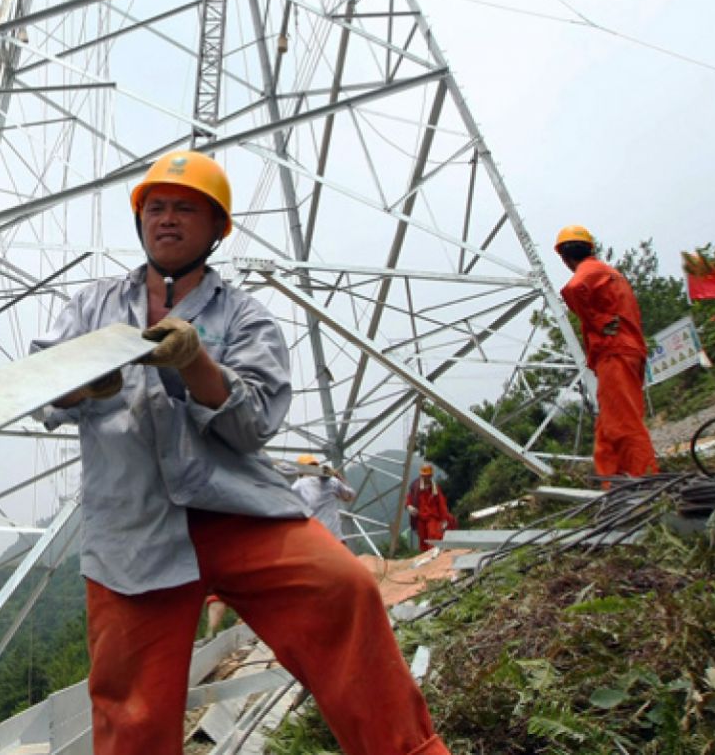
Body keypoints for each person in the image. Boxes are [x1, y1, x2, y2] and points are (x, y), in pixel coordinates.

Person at [33, 151, 448, 755]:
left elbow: (254, 425)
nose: (166, 220)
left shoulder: (244, 317)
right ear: (140, 221)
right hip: (133, 526)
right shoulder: (91, 310)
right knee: (133, 709)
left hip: (235, 511)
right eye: (155, 208)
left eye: (184, 209)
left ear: (216, 228)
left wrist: (196, 362)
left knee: (343, 592)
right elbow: (40, 390)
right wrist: (80, 381)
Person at [553, 225, 659, 485]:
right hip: (623, 352)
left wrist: (598, 321)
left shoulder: (589, 272)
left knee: (623, 425)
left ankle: (645, 485)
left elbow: (572, 289)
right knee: (607, 430)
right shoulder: (608, 273)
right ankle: (613, 487)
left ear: (565, 257)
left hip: (615, 354)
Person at [290, 454, 358, 541]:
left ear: (299, 470)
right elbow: (351, 496)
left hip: (315, 541)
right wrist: (338, 476)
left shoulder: (296, 487)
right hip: (336, 540)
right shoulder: (332, 482)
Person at [404, 465, 455, 552]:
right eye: (424, 476)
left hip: (433, 518)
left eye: (427, 476)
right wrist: (409, 507)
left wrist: (444, 519)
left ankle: (435, 556)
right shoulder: (415, 488)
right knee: (423, 542)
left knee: (434, 537)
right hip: (420, 519)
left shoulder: (435, 488)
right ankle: (427, 558)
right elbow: (409, 499)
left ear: (431, 476)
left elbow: (442, 505)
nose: (426, 478)